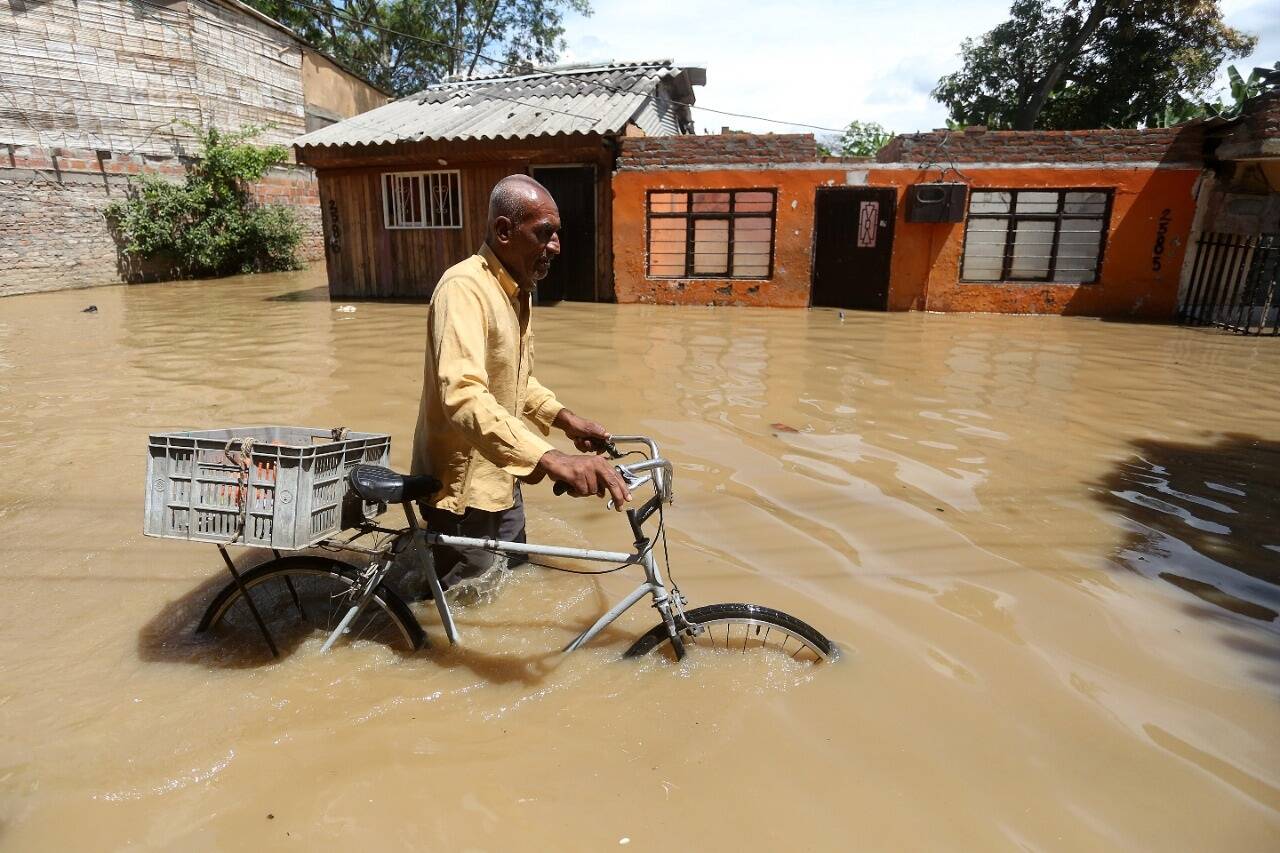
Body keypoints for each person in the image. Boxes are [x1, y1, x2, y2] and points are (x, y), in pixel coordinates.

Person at [410, 174, 631, 592]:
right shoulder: (464, 289)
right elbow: (464, 396)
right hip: (463, 490)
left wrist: (565, 420)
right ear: (504, 231)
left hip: (503, 477)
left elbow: (514, 379)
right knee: (462, 610)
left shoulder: (516, 290)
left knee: (510, 583)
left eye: (557, 234)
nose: (556, 247)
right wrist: (551, 458)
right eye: (544, 233)